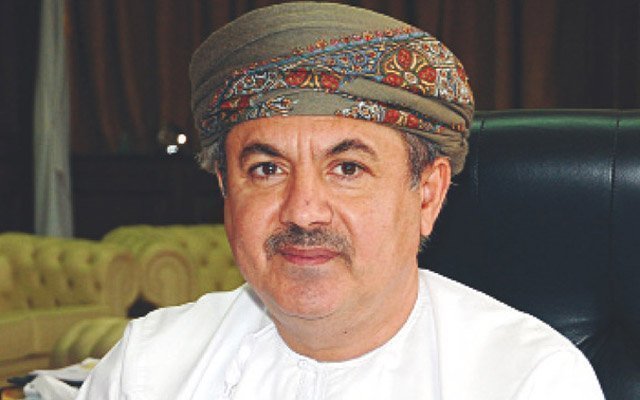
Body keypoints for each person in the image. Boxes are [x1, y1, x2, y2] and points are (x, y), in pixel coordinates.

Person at [77, 2, 605, 399]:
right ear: (224, 188)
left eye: (348, 169)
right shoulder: (150, 368)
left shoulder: (527, 380)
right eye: (267, 169)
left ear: (428, 194)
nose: (303, 211)